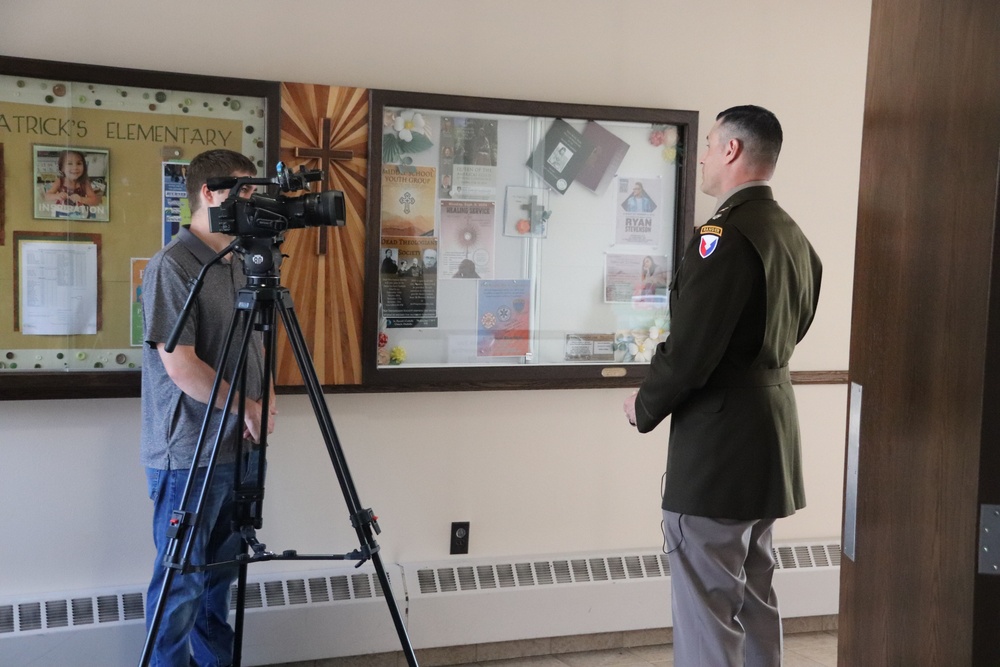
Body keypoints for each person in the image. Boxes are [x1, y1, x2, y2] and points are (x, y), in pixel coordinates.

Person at [622, 105, 822, 667]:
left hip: (718, 450)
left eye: (709, 143)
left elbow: (690, 353)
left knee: (706, 606)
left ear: (732, 150)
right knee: (755, 596)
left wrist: (643, 405)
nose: (704, 155)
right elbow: (794, 326)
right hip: (769, 440)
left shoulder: (724, 235)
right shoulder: (791, 233)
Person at [141, 148, 276, 667]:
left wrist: (261, 407)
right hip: (187, 454)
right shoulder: (173, 266)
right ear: (208, 193)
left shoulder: (242, 262)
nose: (251, 201)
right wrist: (247, 407)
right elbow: (182, 367)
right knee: (181, 587)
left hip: (238, 448)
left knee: (220, 581)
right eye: (242, 190)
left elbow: (257, 348)